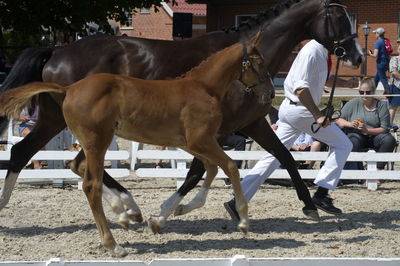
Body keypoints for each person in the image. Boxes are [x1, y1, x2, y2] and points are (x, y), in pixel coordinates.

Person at [224, 39, 353, 219]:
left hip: (293, 110)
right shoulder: (312, 52)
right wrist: (317, 114)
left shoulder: (321, 52)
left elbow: (322, 79)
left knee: (273, 156)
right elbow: (300, 88)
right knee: (343, 144)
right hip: (302, 111)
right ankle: (322, 194)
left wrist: (345, 83)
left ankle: (238, 200)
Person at [335, 78, 397, 171]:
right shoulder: (353, 103)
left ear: (373, 91)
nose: (364, 95)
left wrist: (366, 130)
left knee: (389, 139)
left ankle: (377, 171)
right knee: (352, 140)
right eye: (361, 92)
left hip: (376, 136)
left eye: (367, 92)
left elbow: (384, 128)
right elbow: (337, 119)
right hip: (357, 135)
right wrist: (350, 124)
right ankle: (357, 172)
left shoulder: (382, 106)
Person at [18, 95, 41, 169]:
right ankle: (36, 164)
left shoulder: (44, 102)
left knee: (41, 137)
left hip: (40, 125)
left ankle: (35, 163)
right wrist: (21, 117)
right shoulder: (24, 102)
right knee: (31, 136)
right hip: (26, 125)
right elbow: (14, 115)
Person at [368, 27, 390, 94]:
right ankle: (372, 92)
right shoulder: (386, 41)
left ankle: (389, 92)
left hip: (380, 63)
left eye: (375, 33)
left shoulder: (378, 42)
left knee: (383, 78)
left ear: (378, 34)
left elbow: (375, 55)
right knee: (377, 78)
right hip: (386, 62)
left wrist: (370, 54)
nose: (375, 35)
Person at [388, 44, 400, 129]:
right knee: (393, 106)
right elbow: (394, 73)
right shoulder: (394, 59)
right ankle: (389, 124)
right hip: (396, 86)